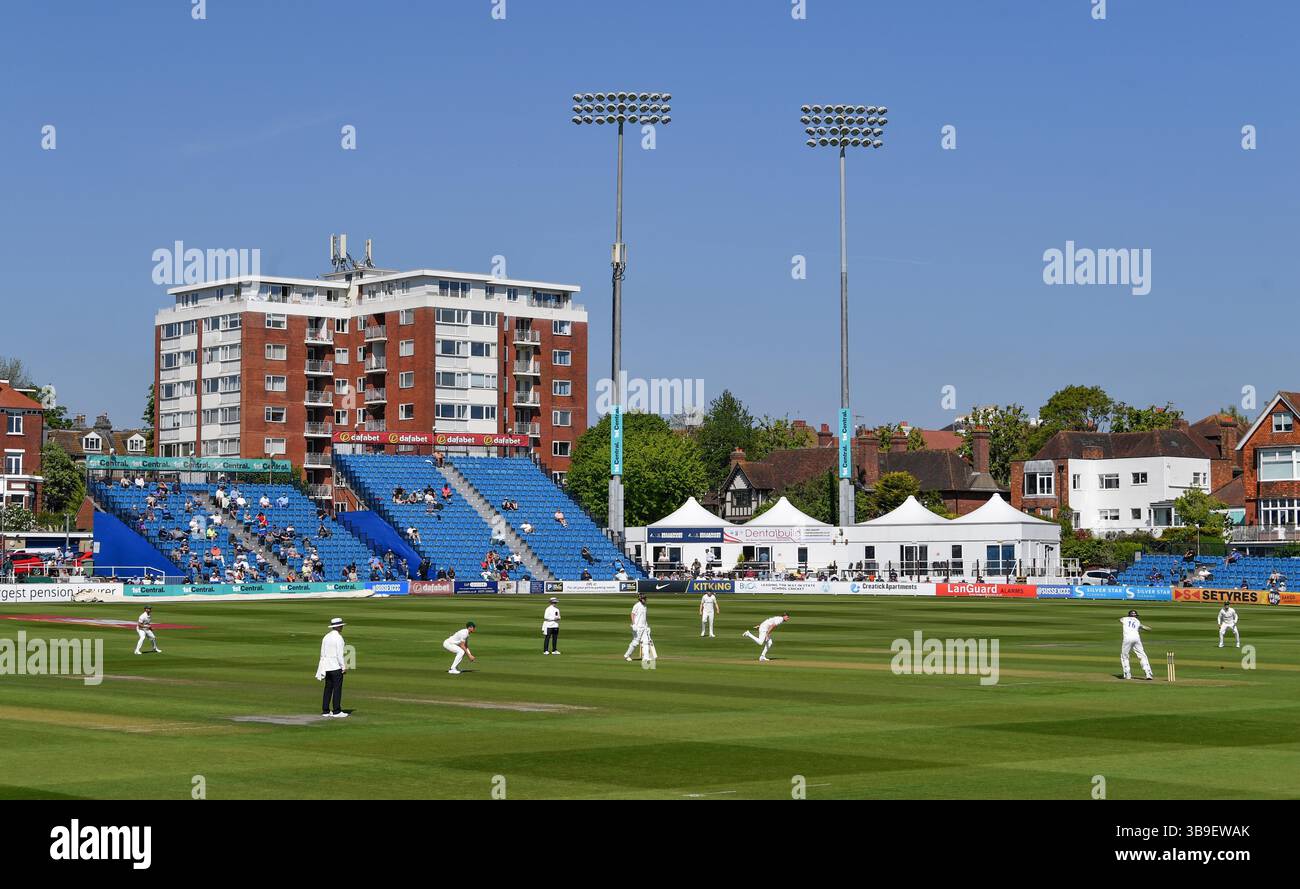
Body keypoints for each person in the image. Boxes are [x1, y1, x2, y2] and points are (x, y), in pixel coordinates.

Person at [316, 617, 348, 718]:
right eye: (341, 625)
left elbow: (322, 653)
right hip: (335, 667)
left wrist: (322, 666)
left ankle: (325, 710)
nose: (342, 627)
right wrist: (343, 666)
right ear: (338, 627)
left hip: (326, 667)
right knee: (337, 689)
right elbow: (339, 654)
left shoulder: (326, 636)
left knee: (328, 688)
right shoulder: (338, 638)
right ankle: (337, 711)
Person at [1119, 609, 1154, 681]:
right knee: (1142, 655)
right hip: (1136, 638)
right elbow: (1145, 628)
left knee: (1124, 656)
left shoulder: (1124, 619)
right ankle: (1148, 673)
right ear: (1136, 616)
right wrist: (1146, 627)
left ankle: (1127, 674)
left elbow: (1120, 620)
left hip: (1127, 638)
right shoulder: (1137, 621)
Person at [623, 595, 650, 662]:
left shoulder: (645, 606)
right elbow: (632, 614)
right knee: (635, 642)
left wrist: (647, 626)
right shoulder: (637, 605)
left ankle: (645, 657)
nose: (645, 600)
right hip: (637, 627)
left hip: (644, 627)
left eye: (645, 598)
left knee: (646, 642)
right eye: (644, 599)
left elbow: (644, 617)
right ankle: (627, 656)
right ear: (640, 599)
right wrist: (634, 624)